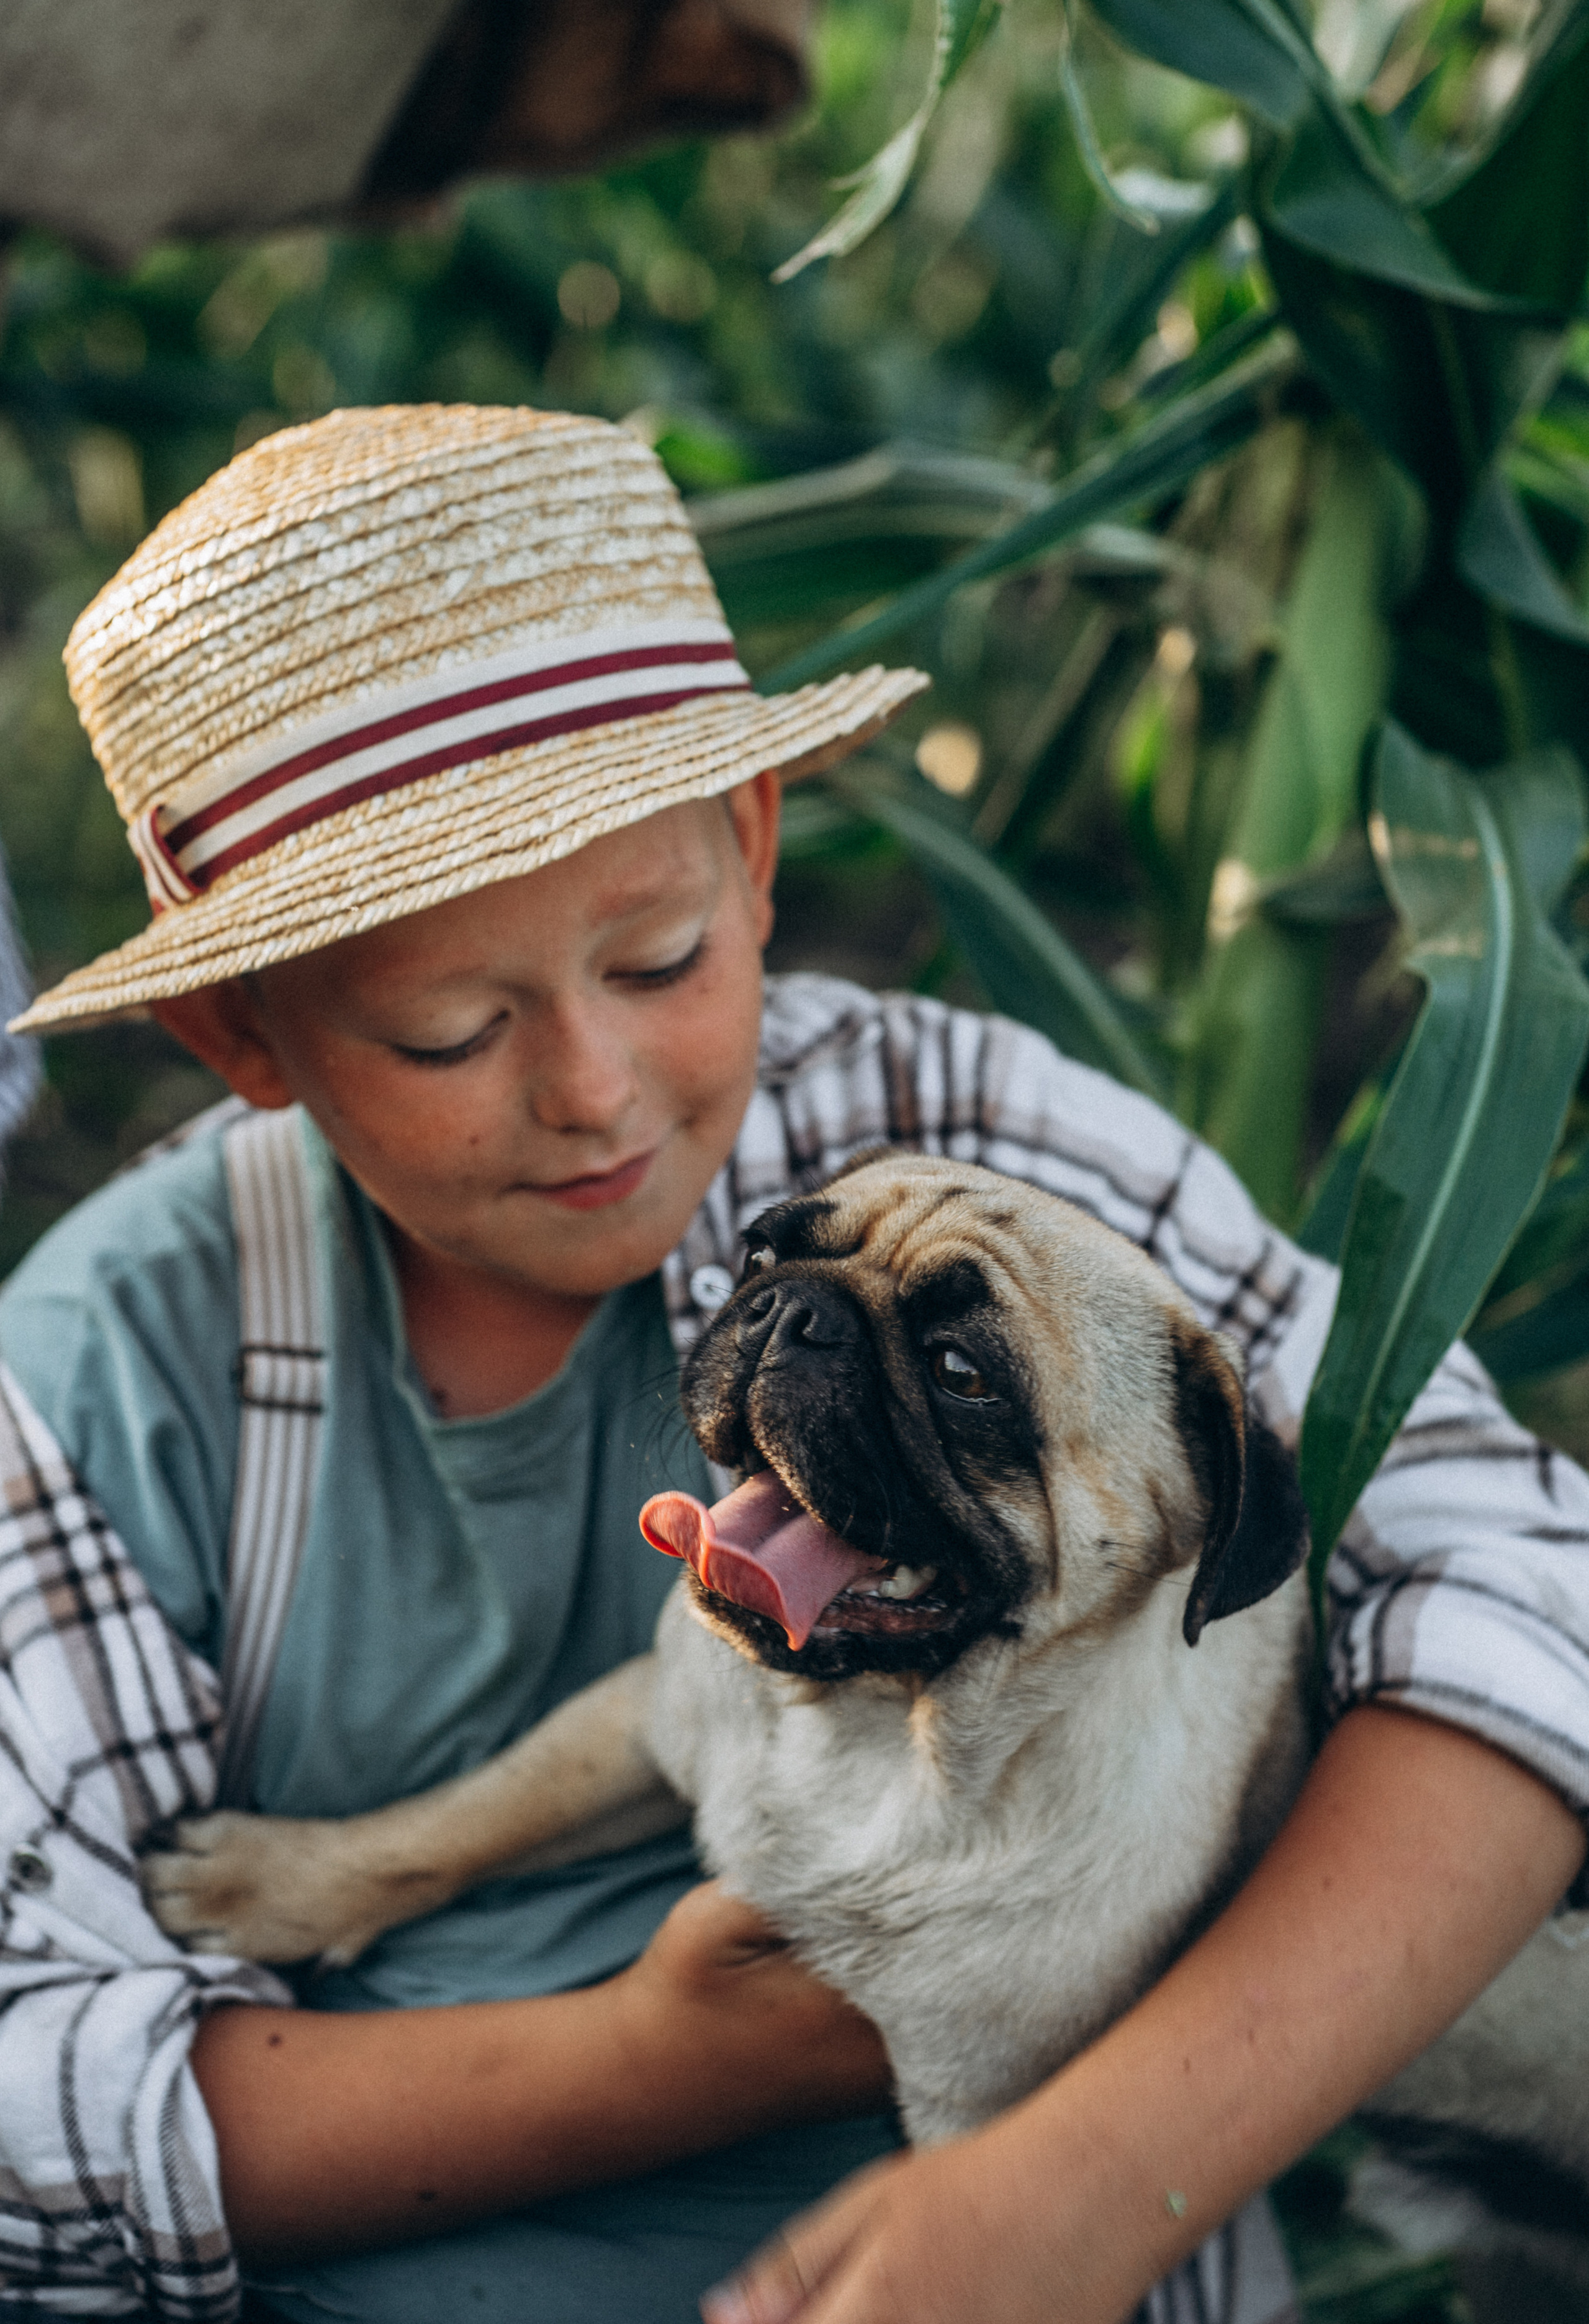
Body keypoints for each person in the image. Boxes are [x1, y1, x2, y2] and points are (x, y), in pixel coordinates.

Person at [0, 402, 1583, 2324]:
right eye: (444, 1033)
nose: (593, 1093)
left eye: (663, 960)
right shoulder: (109, 1373)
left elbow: (1522, 1581)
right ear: (242, 1038)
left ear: (754, 854)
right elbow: (31, 2076)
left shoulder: (949, 1133)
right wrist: (681, 2056)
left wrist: (1106, 2176)